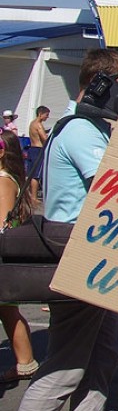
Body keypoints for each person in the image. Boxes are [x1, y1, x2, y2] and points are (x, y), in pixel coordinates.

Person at [12, 48, 118, 411]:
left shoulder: (89, 126)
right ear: (101, 84)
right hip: (80, 253)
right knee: (64, 370)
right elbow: (116, 188)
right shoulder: (81, 128)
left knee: (100, 363)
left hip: (96, 253)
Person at [0, 128, 39, 386]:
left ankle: (26, 361)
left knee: (8, 310)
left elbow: (1, 223)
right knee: (7, 310)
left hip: (2, 253)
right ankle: (25, 361)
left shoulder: (3, 180)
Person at [26, 106, 49, 199]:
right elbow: (45, 138)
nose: (47, 117)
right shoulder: (39, 125)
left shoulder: (32, 123)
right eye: (46, 115)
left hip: (31, 149)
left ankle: (28, 195)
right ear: (40, 114)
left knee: (30, 174)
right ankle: (34, 197)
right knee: (36, 175)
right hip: (38, 150)